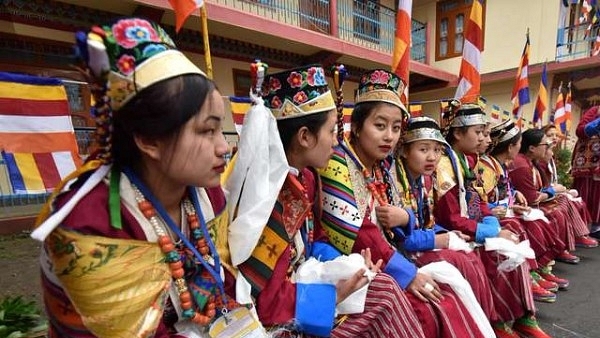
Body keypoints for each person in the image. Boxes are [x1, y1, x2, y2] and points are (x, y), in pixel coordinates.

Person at [31, 18, 237, 337]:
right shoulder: (90, 221)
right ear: (148, 140)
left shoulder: (208, 196)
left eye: (220, 128)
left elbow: (223, 289)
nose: (224, 147)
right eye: (206, 131)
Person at [232, 64, 426, 337]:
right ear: (305, 137)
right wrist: (332, 295)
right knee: (385, 300)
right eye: (333, 132)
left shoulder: (308, 179)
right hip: (282, 316)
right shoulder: (269, 197)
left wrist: (349, 265)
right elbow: (267, 302)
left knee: (384, 288)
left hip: (306, 285)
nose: (336, 143)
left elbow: (317, 239)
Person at [319, 69, 487, 338]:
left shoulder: (380, 167)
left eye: (396, 128)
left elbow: (402, 225)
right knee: (428, 307)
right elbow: (359, 234)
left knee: (449, 291)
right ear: (358, 126)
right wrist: (407, 273)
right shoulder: (337, 162)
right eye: (380, 125)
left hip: (388, 257)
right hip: (353, 265)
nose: (389, 137)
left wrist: (406, 218)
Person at [434, 103, 550, 338]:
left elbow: (477, 201)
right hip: (451, 232)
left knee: (512, 240)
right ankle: (498, 320)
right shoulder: (444, 165)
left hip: (468, 227)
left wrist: (491, 223)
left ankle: (524, 315)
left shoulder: (465, 161)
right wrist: (491, 232)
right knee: (498, 253)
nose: (483, 139)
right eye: (478, 132)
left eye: (484, 133)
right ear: (457, 133)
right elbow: (451, 218)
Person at [393, 116, 498, 324]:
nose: (432, 157)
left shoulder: (425, 180)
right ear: (404, 151)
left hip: (422, 244)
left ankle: (486, 322)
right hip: (403, 254)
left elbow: (428, 222)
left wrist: (443, 233)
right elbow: (402, 238)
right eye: (423, 150)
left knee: (471, 257)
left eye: (437, 150)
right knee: (461, 261)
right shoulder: (395, 181)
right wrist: (440, 239)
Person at [485, 120, 569, 303]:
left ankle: (538, 268)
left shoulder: (500, 165)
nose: (484, 140)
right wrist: (504, 206)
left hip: (500, 211)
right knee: (520, 226)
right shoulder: (490, 166)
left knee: (538, 218)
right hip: (492, 215)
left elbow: (502, 191)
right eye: (480, 134)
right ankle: (530, 273)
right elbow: (483, 199)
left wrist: (514, 193)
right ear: (510, 148)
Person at [509, 129, 586, 265]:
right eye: (546, 145)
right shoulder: (521, 165)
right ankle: (545, 260)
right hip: (520, 207)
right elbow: (532, 198)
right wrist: (552, 191)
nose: (549, 148)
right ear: (532, 148)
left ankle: (571, 241)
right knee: (556, 212)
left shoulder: (531, 162)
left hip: (525, 203)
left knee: (563, 202)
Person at [541, 124, 597, 248]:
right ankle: (564, 245)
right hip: (543, 197)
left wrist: (561, 190)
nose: (554, 138)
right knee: (563, 206)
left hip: (548, 193)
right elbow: (540, 187)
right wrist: (556, 191)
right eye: (550, 135)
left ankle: (579, 235)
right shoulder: (540, 158)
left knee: (578, 201)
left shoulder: (550, 155)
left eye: (556, 135)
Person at [572, 106, 600, 238]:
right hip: (588, 162)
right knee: (586, 193)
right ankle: (581, 228)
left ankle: (596, 228)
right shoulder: (595, 111)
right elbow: (580, 131)